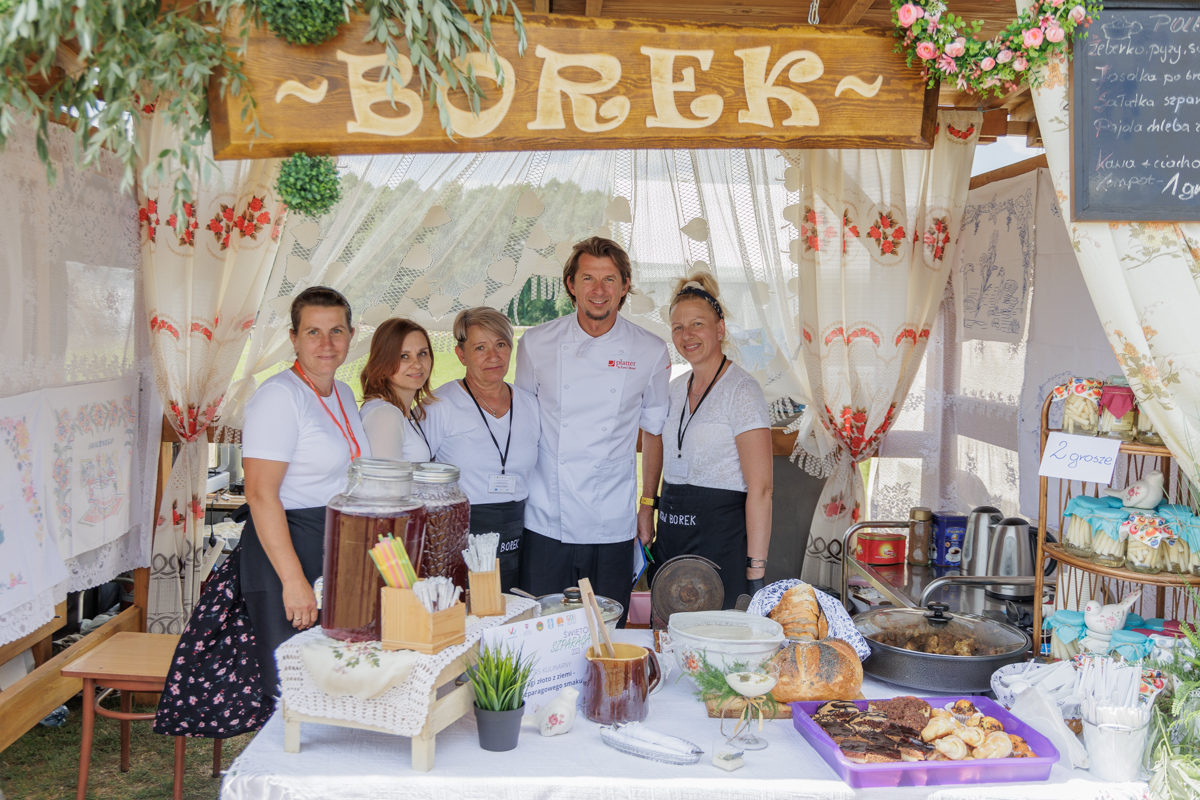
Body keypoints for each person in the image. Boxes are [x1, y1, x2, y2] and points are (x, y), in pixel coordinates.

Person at [515, 236, 670, 618]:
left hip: (611, 520)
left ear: (625, 286)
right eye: (588, 278)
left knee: (606, 631)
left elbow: (653, 432)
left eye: (609, 279)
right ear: (571, 284)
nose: (598, 290)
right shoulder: (535, 343)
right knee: (542, 629)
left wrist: (647, 506)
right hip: (546, 516)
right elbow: (522, 426)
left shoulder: (650, 350)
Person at [241, 286, 370, 691]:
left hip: (332, 546)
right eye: (313, 332)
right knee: (293, 684)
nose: (326, 343)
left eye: (336, 331)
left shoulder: (343, 392)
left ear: (351, 336)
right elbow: (259, 494)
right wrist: (293, 581)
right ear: (293, 338)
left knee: (333, 676)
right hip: (287, 550)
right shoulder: (280, 396)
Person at [641, 273, 773, 606]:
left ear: (720, 329)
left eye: (697, 324)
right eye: (678, 327)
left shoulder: (742, 391)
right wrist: (647, 505)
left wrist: (755, 571)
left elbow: (761, 489)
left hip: (721, 543)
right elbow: (652, 438)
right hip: (671, 536)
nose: (687, 335)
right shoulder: (672, 390)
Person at [422, 308, 540, 592]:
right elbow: (417, 475)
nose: (493, 356)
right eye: (480, 348)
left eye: (501, 344)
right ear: (461, 354)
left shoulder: (531, 404)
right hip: (458, 536)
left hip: (518, 534)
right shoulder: (440, 405)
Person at [359, 318, 435, 463]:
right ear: (383, 362)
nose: (417, 365)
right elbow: (386, 477)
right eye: (404, 356)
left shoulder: (398, 411)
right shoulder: (386, 414)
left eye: (422, 353)